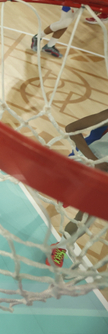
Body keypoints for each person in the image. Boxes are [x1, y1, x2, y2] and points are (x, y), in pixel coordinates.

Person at [47, 109, 108, 267]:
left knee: (86, 219)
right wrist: (95, 162)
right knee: (57, 193)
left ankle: (60, 248)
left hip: (102, 178)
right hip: (84, 161)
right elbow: (71, 129)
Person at [30, 0, 107, 58]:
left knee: (67, 22)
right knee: (65, 22)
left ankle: (49, 46)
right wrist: (94, 2)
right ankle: (37, 37)